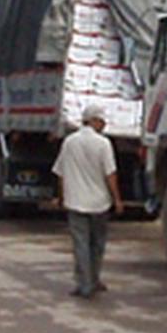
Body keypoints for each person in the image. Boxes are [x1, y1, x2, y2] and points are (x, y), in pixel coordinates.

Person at [50, 105, 124, 298]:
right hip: (100, 203)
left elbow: (60, 174)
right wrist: (117, 200)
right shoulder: (103, 144)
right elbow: (110, 175)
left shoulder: (69, 142)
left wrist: (61, 197)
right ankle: (93, 279)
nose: (104, 125)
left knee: (80, 244)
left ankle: (84, 283)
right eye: (102, 121)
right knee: (97, 244)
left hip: (75, 202)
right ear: (94, 121)